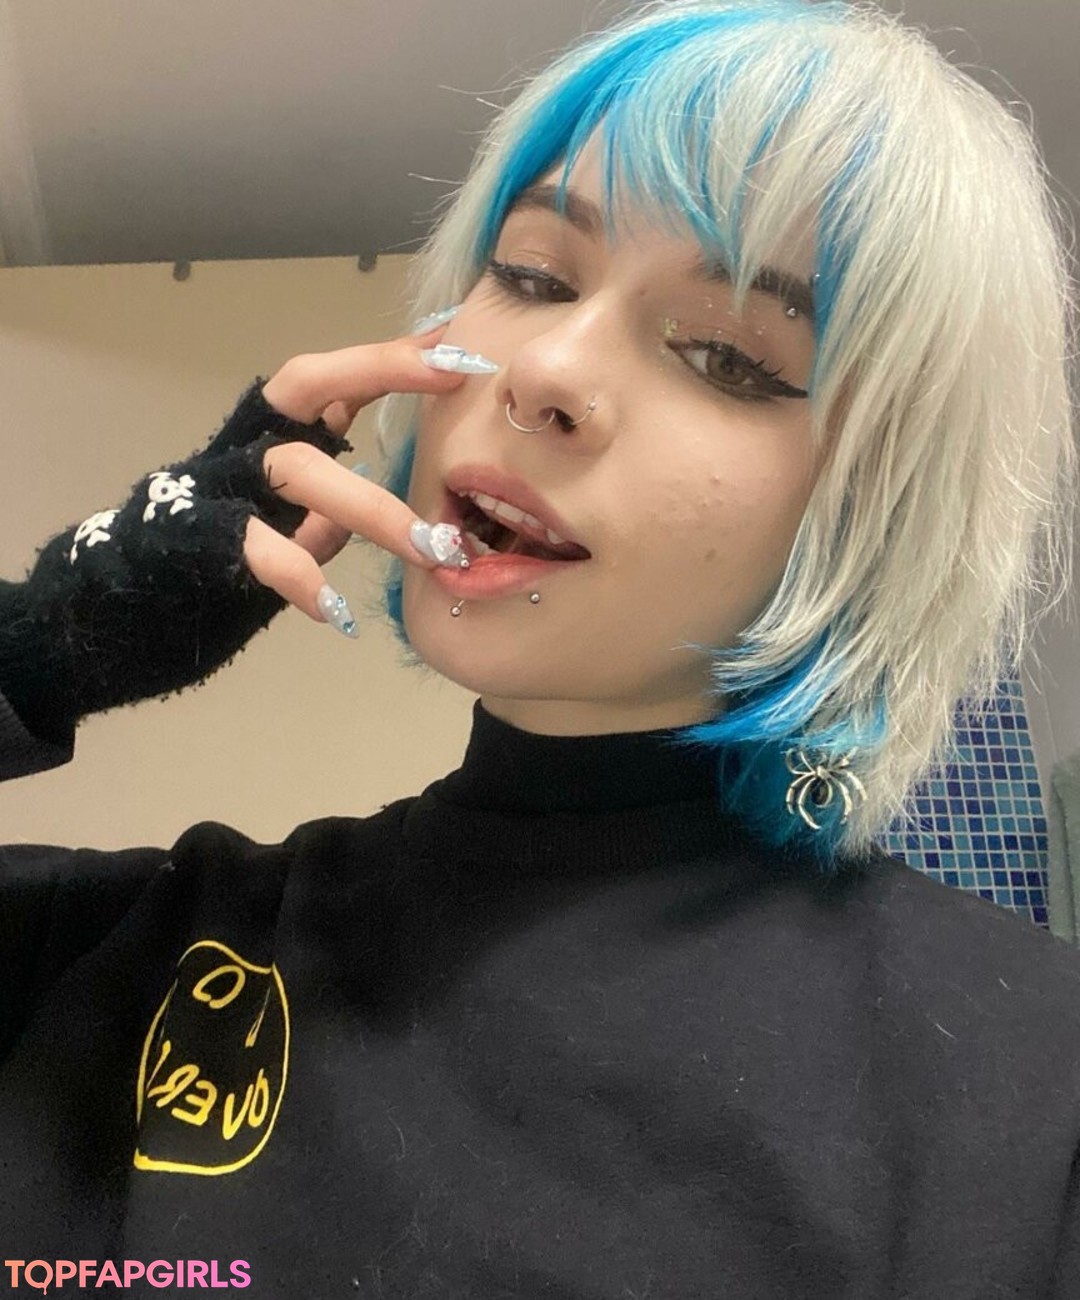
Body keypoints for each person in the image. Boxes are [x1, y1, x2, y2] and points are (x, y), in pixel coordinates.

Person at [1, 0, 1076, 1294]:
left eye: (727, 355)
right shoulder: (110, 962)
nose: (547, 369)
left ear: (876, 510)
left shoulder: (1033, 1090)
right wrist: (40, 648)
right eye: (532, 275)